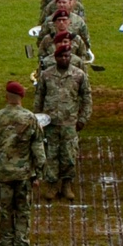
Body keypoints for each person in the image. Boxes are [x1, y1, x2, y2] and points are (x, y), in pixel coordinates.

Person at [0, 80, 46, 246]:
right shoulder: (30, 118)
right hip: (24, 174)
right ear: (21, 98)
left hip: (2, 174)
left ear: (6, 97)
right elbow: (38, 150)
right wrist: (38, 174)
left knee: (5, 213)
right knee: (23, 212)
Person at [33, 37, 91, 200]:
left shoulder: (79, 75)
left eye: (67, 56)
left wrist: (83, 118)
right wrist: (38, 119)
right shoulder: (46, 75)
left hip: (70, 122)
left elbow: (86, 97)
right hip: (50, 122)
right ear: (56, 58)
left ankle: (67, 184)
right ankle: (51, 185)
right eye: (61, 56)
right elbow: (39, 98)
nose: (64, 59)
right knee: (51, 155)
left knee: (69, 155)